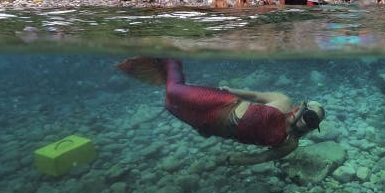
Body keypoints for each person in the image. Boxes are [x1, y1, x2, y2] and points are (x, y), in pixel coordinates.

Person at [116, 57, 325, 165]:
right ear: (301, 108)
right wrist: (229, 89)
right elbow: (253, 96)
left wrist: (234, 161)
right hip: (223, 103)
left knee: (170, 105)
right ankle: (171, 60)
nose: (308, 122)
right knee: (173, 91)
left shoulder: (290, 144)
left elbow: (261, 158)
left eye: (313, 122)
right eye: (309, 115)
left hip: (214, 127)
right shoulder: (283, 100)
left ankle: (165, 69)